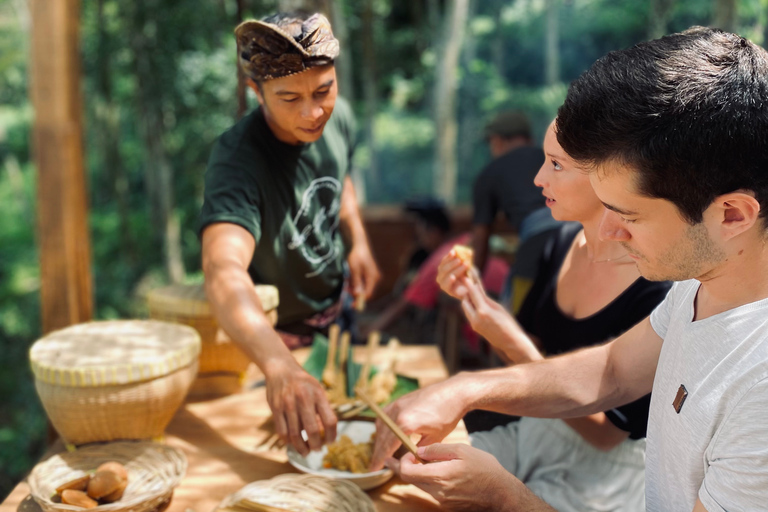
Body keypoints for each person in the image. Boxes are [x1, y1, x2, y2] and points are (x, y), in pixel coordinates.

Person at [370, 27, 768, 511]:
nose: (607, 234)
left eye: (630, 215)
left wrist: (504, 498)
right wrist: (464, 388)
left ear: (732, 215)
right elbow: (613, 371)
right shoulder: (704, 281)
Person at [388, 119, 671, 511]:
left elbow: (608, 433)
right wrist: (479, 306)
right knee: (402, 476)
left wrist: (506, 347)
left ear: (610, 176)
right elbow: (543, 361)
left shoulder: (661, 284)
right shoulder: (556, 244)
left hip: (602, 477)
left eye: (556, 165)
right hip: (535, 430)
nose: (538, 179)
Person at [199, 12, 380, 457]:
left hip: (335, 316)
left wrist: (357, 240)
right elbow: (222, 270)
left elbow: (342, 176)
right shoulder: (237, 160)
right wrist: (278, 366)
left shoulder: (338, 120)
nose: (313, 112)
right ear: (254, 92)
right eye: (289, 98)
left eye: (324, 91)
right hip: (272, 343)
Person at [471, 111, 560, 307]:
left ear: (496, 141)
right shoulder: (555, 160)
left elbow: (480, 241)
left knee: (515, 316)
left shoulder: (490, 173)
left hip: (537, 245)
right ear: (530, 138)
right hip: (581, 238)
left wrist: (471, 287)